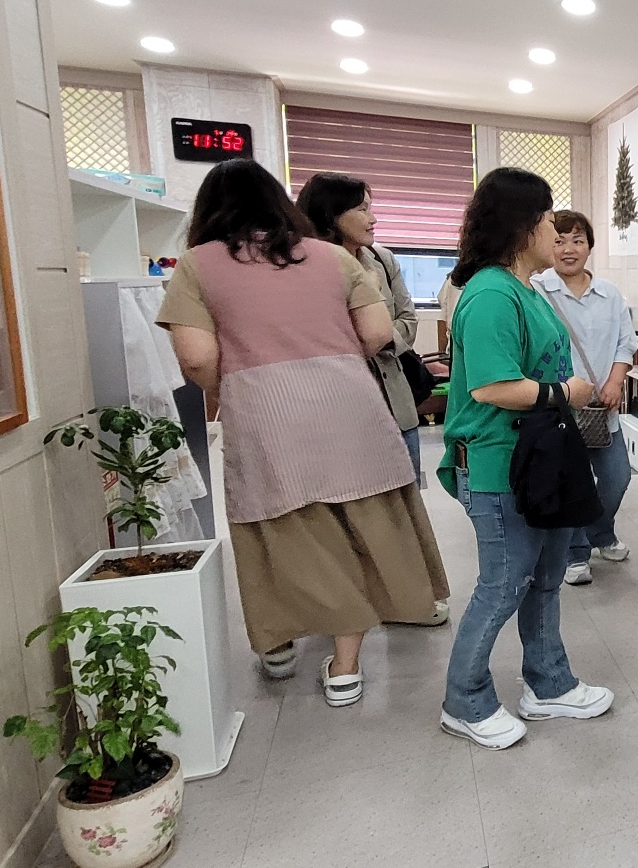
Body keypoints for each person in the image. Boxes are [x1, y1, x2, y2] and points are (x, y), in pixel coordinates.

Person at [156, 159, 448, 707]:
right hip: (351, 407)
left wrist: (240, 379)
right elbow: (380, 331)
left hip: (264, 413)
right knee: (359, 525)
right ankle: (345, 668)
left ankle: (280, 645)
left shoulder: (198, 265)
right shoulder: (332, 256)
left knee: (281, 530)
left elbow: (195, 357)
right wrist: (330, 361)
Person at [437, 168, 614, 751]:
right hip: (498, 463)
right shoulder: (490, 292)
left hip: (540, 459)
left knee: (544, 579)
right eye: (545, 221)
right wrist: (566, 393)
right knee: (504, 583)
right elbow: (491, 387)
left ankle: (549, 683)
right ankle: (464, 701)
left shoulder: (525, 289)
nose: (554, 231)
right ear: (522, 227)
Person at [297, 171, 449, 626]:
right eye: (362, 208)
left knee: (400, 501)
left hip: (390, 393)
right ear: (330, 213)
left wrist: (379, 342)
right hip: (326, 403)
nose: (374, 218)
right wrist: (350, 349)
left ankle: (405, 598)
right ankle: (339, 607)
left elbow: (405, 318)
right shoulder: (299, 263)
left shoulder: (381, 259)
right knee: (333, 508)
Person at [533, 210, 637, 586]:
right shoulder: (537, 290)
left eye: (577, 240)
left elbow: (626, 343)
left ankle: (600, 533)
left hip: (601, 408)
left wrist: (616, 381)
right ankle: (577, 553)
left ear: (590, 246)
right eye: (559, 240)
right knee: (571, 483)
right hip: (559, 408)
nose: (568, 249)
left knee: (617, 477)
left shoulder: (609, 294)